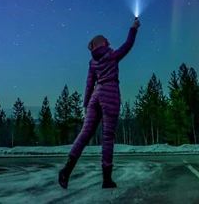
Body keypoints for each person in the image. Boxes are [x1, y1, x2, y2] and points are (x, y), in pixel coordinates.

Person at [58, 16, 141, 190]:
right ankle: (107, 179)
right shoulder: (112, 56)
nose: (108, 40)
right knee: (107, 137)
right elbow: (128, 45)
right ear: (102, 43)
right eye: (106, 39)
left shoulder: (92, 61)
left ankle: (66, 170)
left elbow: (89, 84)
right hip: (110, 93)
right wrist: (134, 27)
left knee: (85, 133)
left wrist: (86, 105)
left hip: (95, 96)